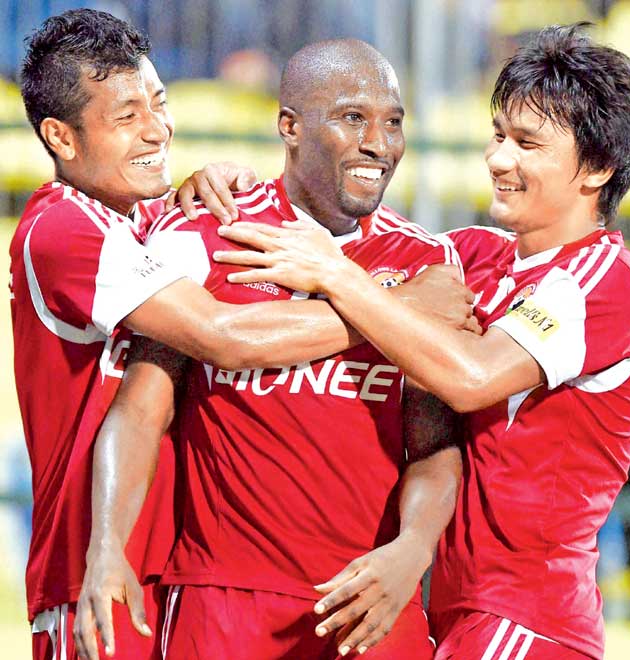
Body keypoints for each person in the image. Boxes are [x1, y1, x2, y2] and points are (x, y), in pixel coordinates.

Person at [216, 23, 630, 660]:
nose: (499, 159)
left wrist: (338, 276)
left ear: (599, 168)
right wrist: (239, 185)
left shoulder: (606, 279)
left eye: (528, 144)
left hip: (529, 623)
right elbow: (355, 231)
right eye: (499, 135)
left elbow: (471, 377)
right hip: (456, 613)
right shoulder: (472, 255)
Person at [12, 11, 405, 660]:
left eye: (159, 104)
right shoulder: (59, 231)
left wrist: (195, 186)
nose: (157, 129)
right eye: (125, 117)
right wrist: (385, 306)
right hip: (93, 583)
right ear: (61, 137)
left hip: (164, 580)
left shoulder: (149, 219)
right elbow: (224, 338)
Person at [75, 39, 474, 660]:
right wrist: (107, 543)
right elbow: (141, 407)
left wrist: (414, 549)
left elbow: (434, 443)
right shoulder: (209, 229)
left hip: (368, 604)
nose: (379, 142)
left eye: (393, 121)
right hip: (224, 601)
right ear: (289, 126)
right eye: (352, 118)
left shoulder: (425, 261)